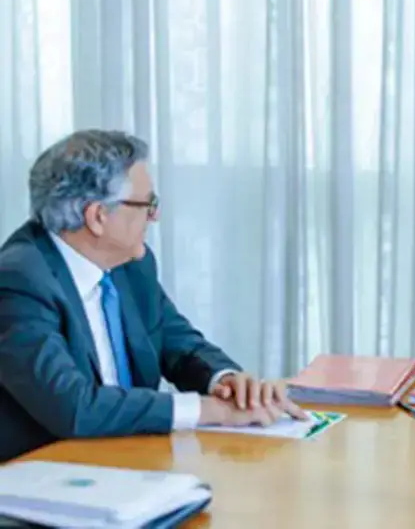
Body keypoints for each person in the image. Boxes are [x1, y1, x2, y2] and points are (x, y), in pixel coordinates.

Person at [0, 130, 307, 462]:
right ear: (98, 216)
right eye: (148, 204)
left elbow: (178, 341)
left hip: (129, 461)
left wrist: (228, 382)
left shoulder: (131, 263)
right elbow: (74, 407)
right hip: (44, 479)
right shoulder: (18, 281)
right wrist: (209, 411)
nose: (154, 216)